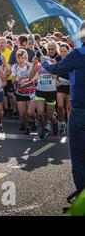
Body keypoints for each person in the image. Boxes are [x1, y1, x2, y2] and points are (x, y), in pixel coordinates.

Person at [41, 22, 85, 196]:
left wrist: (46, 64)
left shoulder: (78, 53)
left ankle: (82, 195)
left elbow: (58, 68)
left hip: (80, 111)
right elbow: (70, 72)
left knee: (79, 156)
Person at [29, 55, 58, 138]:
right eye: (40, 58)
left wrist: (52, 66)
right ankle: (43, 128)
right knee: (40, 112)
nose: (42, 59)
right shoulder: (38, 65)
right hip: (40, 91)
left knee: (49, 115)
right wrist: (33, 64)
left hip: (51, 92)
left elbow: (54, 76)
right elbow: (30, 77)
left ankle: (55, 122)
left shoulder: (51, 63)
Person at [11, 49, 37, 134]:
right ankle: (27, 127)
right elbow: (13, 80)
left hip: (31, 92)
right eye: (18, 58)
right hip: (20, 92)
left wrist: (27, 80)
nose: (20, 60)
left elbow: (36, 78)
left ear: (26, 57)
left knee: (30, 112)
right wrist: (18, 79)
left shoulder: (31, 65)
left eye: (22, 58)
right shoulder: (14, 66)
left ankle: (34, 120)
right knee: (22, 114)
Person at [55, 44, 71, 135]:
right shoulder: (57, 59)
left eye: (65, 51)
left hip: (69, 85)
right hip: (60, 85)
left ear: (68, 52)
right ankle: (61, 123)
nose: (63, 53)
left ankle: (69, 125)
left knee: (68, 107)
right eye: (61, 52)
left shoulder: (71, 59)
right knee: (60, 106)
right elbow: (53, 70)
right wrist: (55, 79)